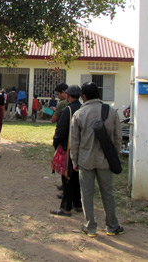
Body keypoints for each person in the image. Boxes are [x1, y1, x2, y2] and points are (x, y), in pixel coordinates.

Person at [70, 82, 124, 237]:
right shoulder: (111, 111)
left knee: (86, 194)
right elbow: (118, 137)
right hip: (105, 160)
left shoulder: (79, 114)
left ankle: (90, 226)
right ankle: (112, 226)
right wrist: (114, 154)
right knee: (108, 193)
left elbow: (74, 142)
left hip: (85, 160)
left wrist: (75, 161)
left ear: (84, 96)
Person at [50, 85, 83, 217]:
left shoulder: (67, 110)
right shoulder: (83, 109)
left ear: (68, 96)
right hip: (82, 148)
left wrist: (56, 144)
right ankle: (78, 204)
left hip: (68, 147)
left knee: (67, 178)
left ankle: (66, 207)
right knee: (77, 178)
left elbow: (61, 131)